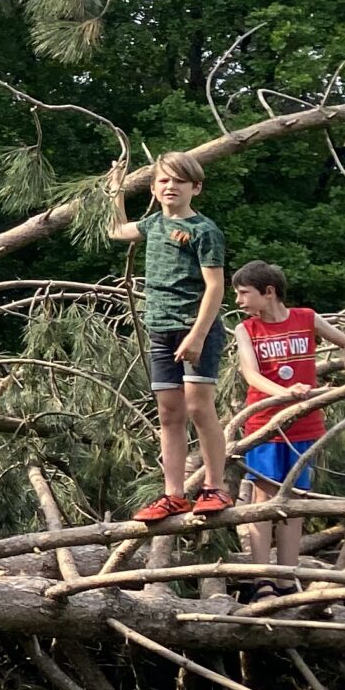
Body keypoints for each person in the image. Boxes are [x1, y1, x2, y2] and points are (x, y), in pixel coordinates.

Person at [111, 153, 232, 523]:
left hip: (196, 329)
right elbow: (116, 230)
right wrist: (116, 189)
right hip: (160, 329)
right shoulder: (153, 224)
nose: (170, 187)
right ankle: (173, 495)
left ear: (196, 187)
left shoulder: (204, 231)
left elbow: (215, 287)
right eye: (164, 180)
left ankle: (215, 487)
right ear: (153, 188)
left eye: (179, 181)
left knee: (198, 406)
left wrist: (197, 335)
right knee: (168, 412)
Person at [232, 261, 345, 576]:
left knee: (295, 500)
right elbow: (250, 374)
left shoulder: (306, 318)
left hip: (305, 426)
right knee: (263, 498)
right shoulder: (247, 329)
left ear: (269, 292)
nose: (239, 301)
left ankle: (287, 576)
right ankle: (262, 577)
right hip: (266, 425)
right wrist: (285, 393)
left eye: (244, 293)